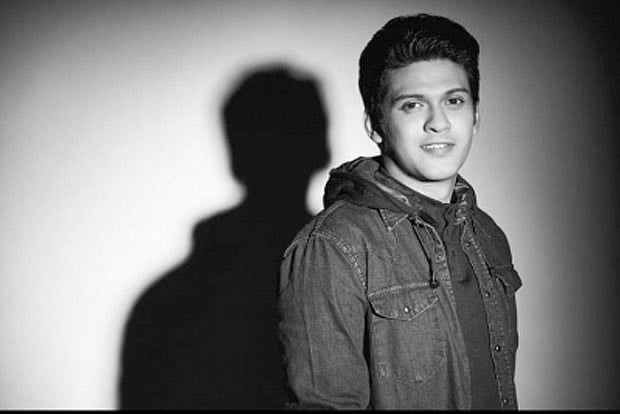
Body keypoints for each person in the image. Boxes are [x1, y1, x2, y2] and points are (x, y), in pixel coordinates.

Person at [278, 13, 522, 409]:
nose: (438, 123)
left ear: (476, 115)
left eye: (454, 101)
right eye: (412, 105)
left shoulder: (486, 233)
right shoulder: (332, 247)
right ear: (375, 125)